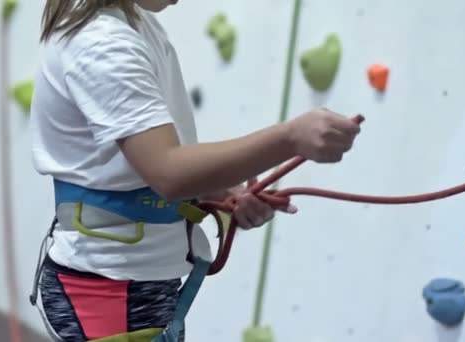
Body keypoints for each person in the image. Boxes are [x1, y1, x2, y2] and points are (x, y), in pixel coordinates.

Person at [29, 0, 361, 341]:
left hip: (132, 282)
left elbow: (133, 165)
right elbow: (168, 171)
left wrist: (221, 192)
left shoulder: (136, 25)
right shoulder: (102, 44)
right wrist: (289, 138)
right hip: (108, 286)